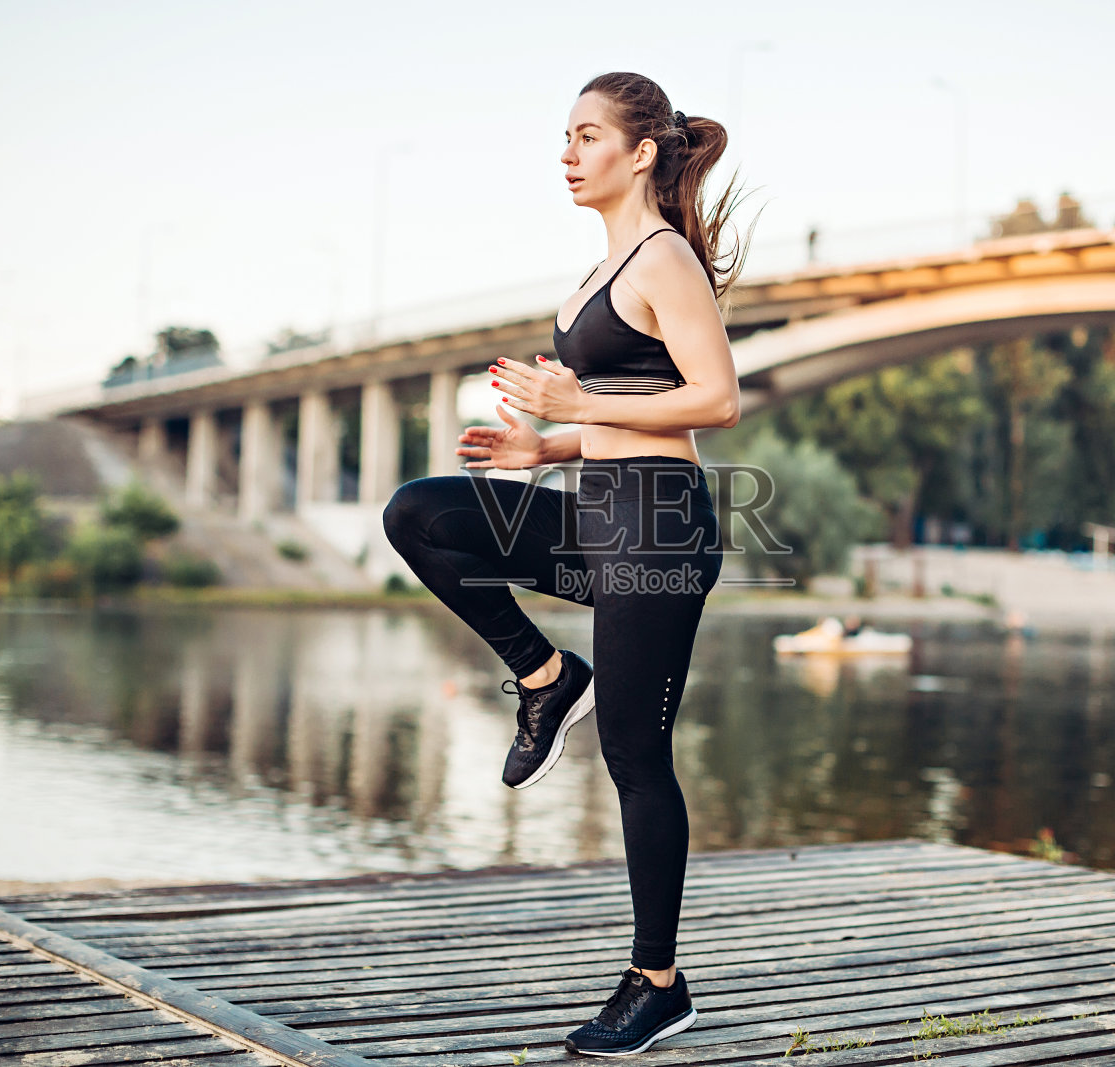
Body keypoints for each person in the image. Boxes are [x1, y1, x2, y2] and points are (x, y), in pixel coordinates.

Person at [381, 71, 756, 1056]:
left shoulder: (663, 257)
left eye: (587, 136)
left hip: (659, 527)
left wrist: (573, 410)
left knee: (635, 754)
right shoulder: (597, 273)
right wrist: (538, 452)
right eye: (564, 136)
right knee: (422, 513)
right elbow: (624, 404)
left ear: (640, 152)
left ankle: (657, 981)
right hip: (597, 512)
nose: (567, 152)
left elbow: (715, 401)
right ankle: (547, 675)